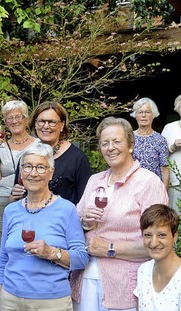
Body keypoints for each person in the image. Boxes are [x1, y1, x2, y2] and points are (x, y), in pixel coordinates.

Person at [70, 117, 169, 311]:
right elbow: (71, 226)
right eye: (105, 143)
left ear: (131, 145)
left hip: (124, 285)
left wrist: (110, 248)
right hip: (84, 280)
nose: (110, 147)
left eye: (117, 141)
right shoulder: (94, 180)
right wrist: (84, 223)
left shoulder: (148, 182)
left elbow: (159, 243)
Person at [0, 142, 89, 310]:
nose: (33, 173)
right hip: (10, 299)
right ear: (21, 173)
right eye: (28, 167)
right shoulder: (11, 210)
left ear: (51, 173)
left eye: (40, 167)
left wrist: (52, 252)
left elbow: (81, 258)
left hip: (51, 301)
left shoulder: (66, 209)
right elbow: (3, 260)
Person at [11, 101, 92, 205]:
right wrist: (16, 195)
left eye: (52, 122)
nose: (46, 126)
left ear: (62, 125)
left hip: (65, 219)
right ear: (35, 124)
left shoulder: (77, 158)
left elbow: (86, 199)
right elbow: (13, 198)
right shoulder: (27, 155)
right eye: (41, 121)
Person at [133, 204, 181, 311]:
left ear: (174, 236)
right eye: (148, 235)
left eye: (162, 235)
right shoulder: (143, 271)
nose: (154, 243)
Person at [0, 100, 38, 245]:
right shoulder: (0, 146)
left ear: (26, 119)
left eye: (18, 117)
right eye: (9, 118)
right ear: (5, 123)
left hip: (28, 199)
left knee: (28, 241)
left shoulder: (38, 145)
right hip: (1, 200)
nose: (14, 121)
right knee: (4, 243)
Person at [131, 97, 170, 188]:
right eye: (140, 112)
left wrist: (164, 194)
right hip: (132, 187)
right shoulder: (128, 138)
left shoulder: (160, 140)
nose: (143, 115)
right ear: (135, 115)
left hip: (153, 188)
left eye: (147, 112)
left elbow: (164, 170)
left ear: (153, 115)